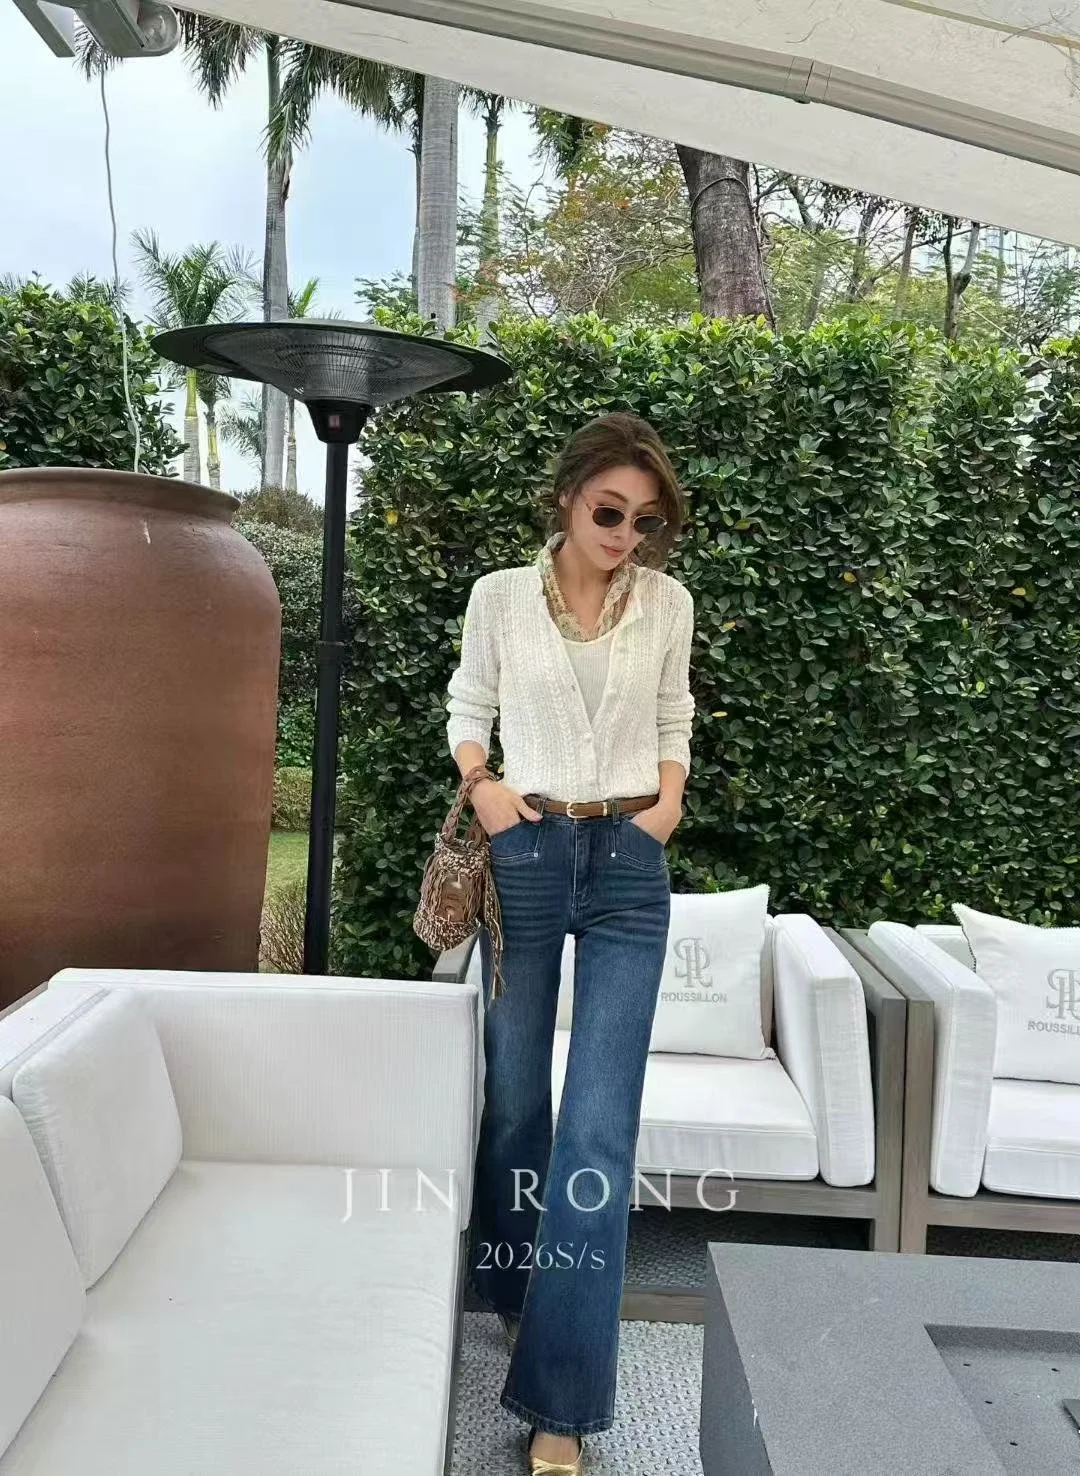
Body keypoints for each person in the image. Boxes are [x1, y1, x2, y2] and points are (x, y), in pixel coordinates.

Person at [445, 411, 695, 1474]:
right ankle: (514, 1289)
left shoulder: (667, 603)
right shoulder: (501, 596)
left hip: (631, 865)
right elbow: (469, 704)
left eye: (646, 522)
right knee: (515, 1104)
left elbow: (675, 715)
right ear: (566, 498)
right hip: (529, 856)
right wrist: (484, 788)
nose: (626, 536)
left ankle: (562, 1404)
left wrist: (664, 812)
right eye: (609, 513)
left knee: (597, 1130)